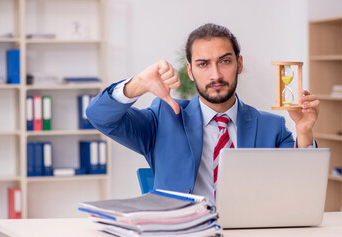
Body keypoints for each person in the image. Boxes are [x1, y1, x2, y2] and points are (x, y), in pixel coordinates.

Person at [86, 23, 319, 203]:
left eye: (224, 61)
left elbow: (302, 190)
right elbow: (99, 116)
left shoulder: (272, 127)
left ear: (239, 64)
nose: (215, 75)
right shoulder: (163, 118)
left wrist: (304, 131)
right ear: (190, 70)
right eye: (203, 64)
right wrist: (138, 84)